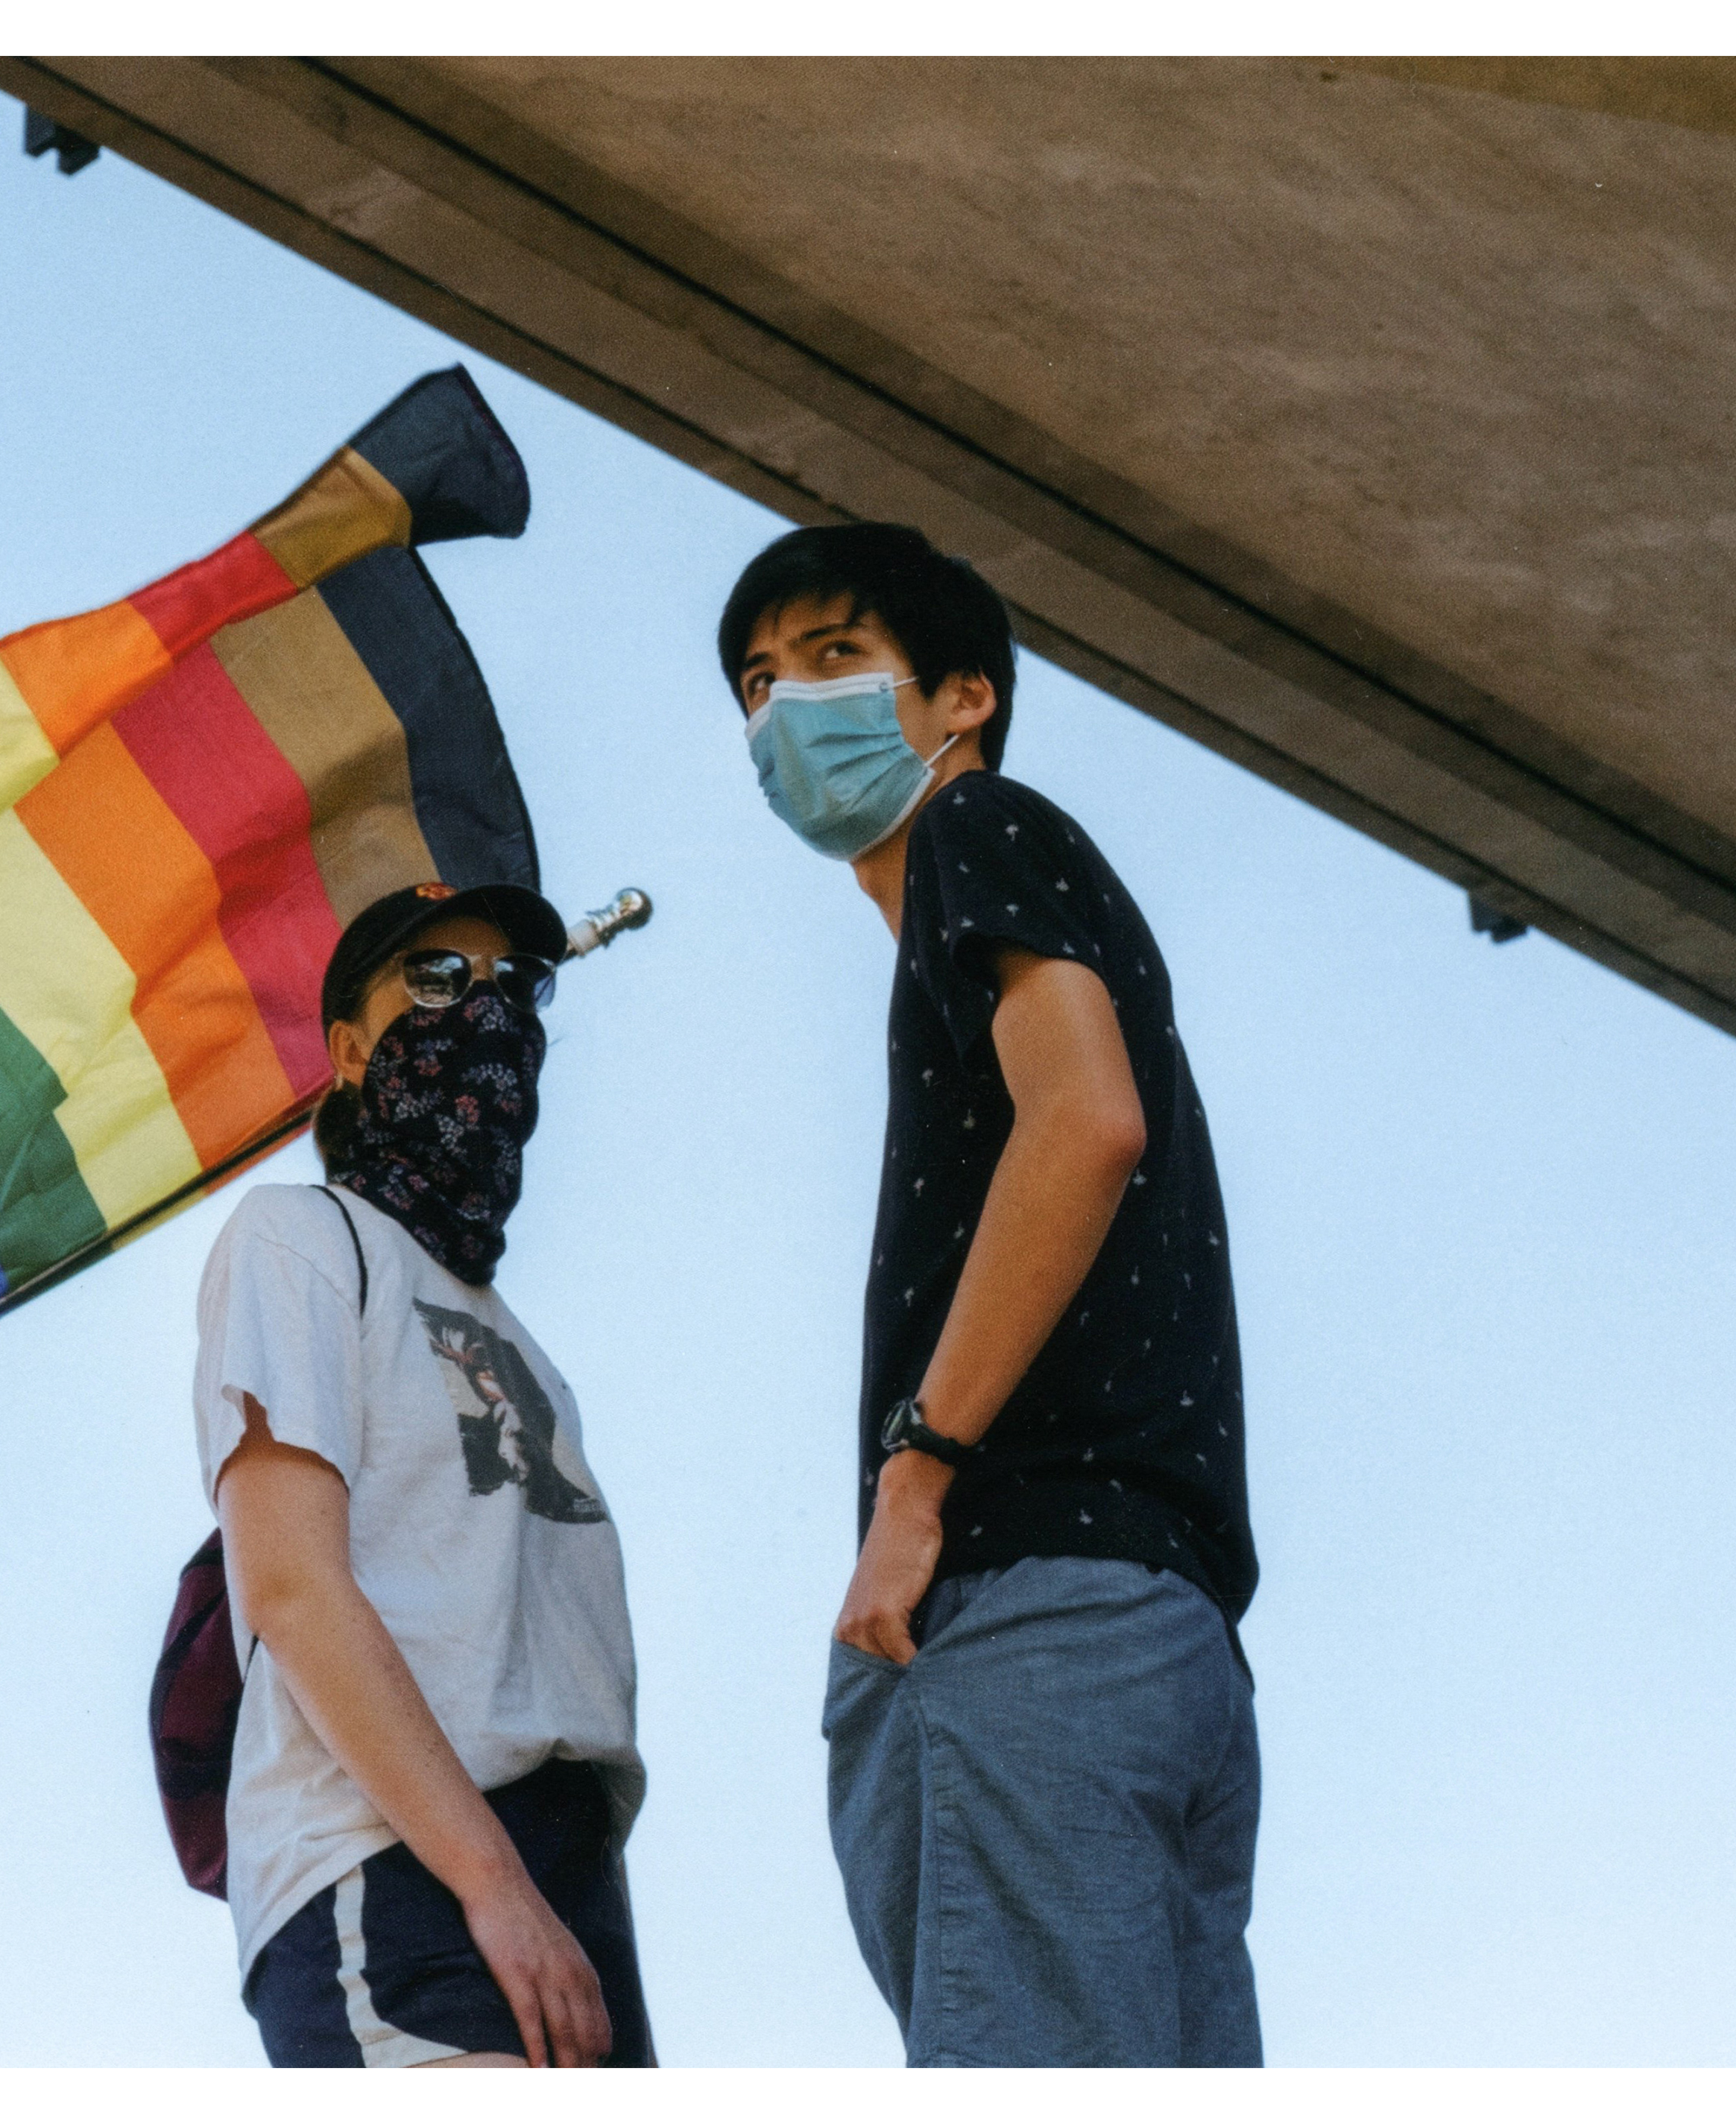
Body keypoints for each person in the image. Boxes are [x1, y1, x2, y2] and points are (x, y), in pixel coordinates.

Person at [719, 522, 1263, 2067]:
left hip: (1030, 1606)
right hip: (1164, 1635)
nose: (783, 714)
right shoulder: (983, 915)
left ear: (963, 696)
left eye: (833, 661)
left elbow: (1087, 1123)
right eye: (756, 685)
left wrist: (918, 1475)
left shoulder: (984, 832)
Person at [195, 880, 653, 2068]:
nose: (484, 1011)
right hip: (390, 1855)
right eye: (437, 979)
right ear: (351, 1052)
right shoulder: (298, 1234)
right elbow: (291, 1588)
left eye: (513, 986)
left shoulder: (526, 1344)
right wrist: (491, 1884)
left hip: (567, 1879)